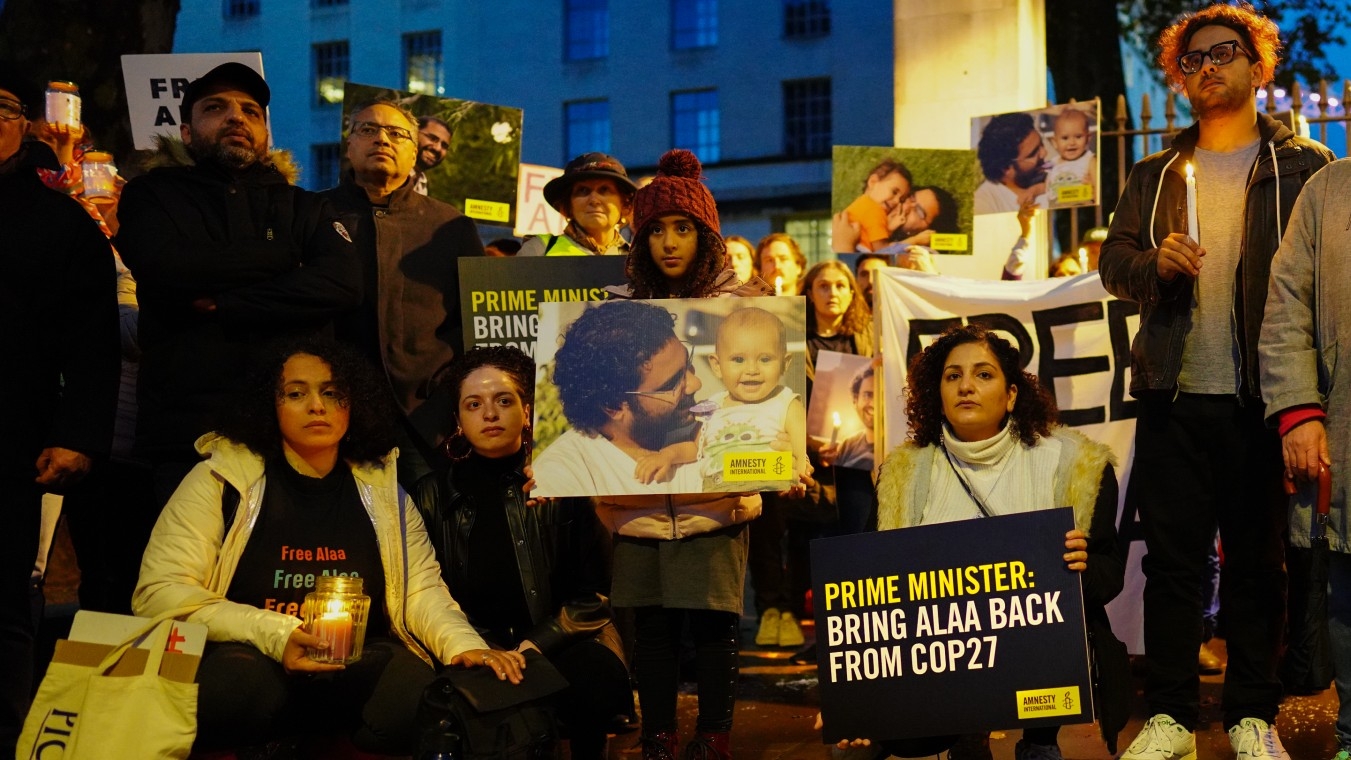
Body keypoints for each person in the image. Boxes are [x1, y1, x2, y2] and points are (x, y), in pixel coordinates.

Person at [1098, 5, 1335, 759]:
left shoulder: (1305, 168)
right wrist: (1151, 267)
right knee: (1171, 563)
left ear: (1258, 66)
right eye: (1192, 59)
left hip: (1265, 402)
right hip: (1173, 395)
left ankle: (1248, 715)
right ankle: (1168, 713)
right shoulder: (1153, 172)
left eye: (1223, 53)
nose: (1206, 68)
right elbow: (1113, 267)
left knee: (1259, 564)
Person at [132, 337, 521, 755]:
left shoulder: (382, 487)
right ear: (271, 405)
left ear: (353, 405)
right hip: (249, 654)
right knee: (235, 691)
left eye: (332, 393)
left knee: (417, 704)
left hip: (359, 657)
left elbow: (421, 591)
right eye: (296, 393)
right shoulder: (223, 479)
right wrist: (279, 634)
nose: (317, 406)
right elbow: (160, 593)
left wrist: (465, 646)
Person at [853, 324, 1124, 760]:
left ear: (1012, 394)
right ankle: (965, 732)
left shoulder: (1076, 465)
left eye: (983, 375)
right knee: (899, 738)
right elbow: (868, 588)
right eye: (952, 376)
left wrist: (1082, 566)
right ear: (935, 391)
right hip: (942, 653)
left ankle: (1039, 741)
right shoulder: (903, 472)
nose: (966, 386)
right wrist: (853, 696)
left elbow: (1110, 577)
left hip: (1039, 662)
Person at [586, 148, 766, 760]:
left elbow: (769, 402)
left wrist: (784, 461)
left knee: (716, 628)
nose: (668, 242)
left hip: (714, 502)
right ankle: (660, 734)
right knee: (654, 630)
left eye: (683, 228)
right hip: (636, 498)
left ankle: (713, 735)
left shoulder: (747, 310)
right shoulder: (610, 312)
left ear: (706, 236)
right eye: (655, 229)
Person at [115, 62, 362, 505]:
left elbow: (341, 284)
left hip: (291, 436)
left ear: (265, 134)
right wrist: (286, 261)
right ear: (187, 132)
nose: (236, 117)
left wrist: (227, 303)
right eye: (216, 108)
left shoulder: (306, 207)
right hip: (186, 436)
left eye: (251, 111)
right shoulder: (151, 194)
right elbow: (167, 268)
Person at [413, 346, 633, 760]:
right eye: (474, 404)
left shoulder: (565, 480)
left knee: (595, 683)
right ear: (458, 420)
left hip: (566, 637)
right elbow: (431, 592)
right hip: (480, 643)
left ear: (527, 411)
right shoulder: (432, 495)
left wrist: (535, 644)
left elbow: (598, 595)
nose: (490, 414)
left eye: (504, 401)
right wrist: (482, 647)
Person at [0, 69, 120, 757]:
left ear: (26, 125)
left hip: (12, 440)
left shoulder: (58, 220)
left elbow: (93, 341)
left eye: (3, 109)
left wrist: (78, 435)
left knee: (5, 608)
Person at [322, 98, 485, 488]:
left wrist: (448, 395)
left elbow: (476, 322)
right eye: (368, 129)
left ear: (415, 152)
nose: (382, 139)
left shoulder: (452, 226)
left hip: (426, 419)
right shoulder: (312, 214)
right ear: (349, 146)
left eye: (397, 134)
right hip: (333, 412)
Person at [1259, 157, 1351, 760]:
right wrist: (1298, 410)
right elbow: (1287, 305)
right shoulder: (1329, 190)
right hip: (1346, 438)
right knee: (1348, 603)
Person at [754, 260, 874, 656]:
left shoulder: (869, 336)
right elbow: (776, 397)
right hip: (806, 460)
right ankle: (819, 636)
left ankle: (850, 637)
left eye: (841, 285)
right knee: (808, 548)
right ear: (810, 291)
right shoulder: (792, 339)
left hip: (857, 468)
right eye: (824, 285)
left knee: (853, 548)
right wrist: (806, 442)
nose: (833, 292)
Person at [634, 306, 808, 494]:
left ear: (785, 363)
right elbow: (697, 447)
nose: (752, 369)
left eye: (765, 359)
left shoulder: (786, 403)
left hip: (767, 488)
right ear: (717, 365)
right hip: (716, 489)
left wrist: (800, 478)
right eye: (739, 360)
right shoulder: (712, 407)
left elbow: (800, 453)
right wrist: (667, 455)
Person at [517, 152, 637, 257]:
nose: (594, 200)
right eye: (583, 190)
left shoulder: (639, 259)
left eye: (604, 190)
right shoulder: (539, 250)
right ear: (568, 204)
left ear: (624, 203)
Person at [974, 112, 1048, 214]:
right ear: (1006, 168)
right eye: (1033, 154)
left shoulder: (1050, 176)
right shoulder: (985, 203)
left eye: (1041, 144)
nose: (1044, 153)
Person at [842, 158, 913, 251]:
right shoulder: (875, 210)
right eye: (894, 192)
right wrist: (915, 241)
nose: (896, 201)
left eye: (901, 199)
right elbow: (882, 249)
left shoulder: (861, 203)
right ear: (873, 182)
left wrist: (889, 229)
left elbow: (871, 234)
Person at [820, 365, 876, 471]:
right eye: (868, 395)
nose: (873, 404)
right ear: (856, 400)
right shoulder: (848, 445)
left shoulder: (896, 448)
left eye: (881, 396)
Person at [1045, 106, 1097, 203]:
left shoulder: (1089, 160)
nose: (1072, 143)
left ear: (1088, 138)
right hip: (1058, 210)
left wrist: (1093, 189)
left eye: (1078, 137)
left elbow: (1098, 191)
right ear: (1054, 142)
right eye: (1065, 138)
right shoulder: (1052, 162)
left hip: (1081, 208)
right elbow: (1039, 178)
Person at [410, 114, 452, 195]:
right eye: (432, 138)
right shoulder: (390, 172)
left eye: (444, 145)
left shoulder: (421, 185)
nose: (438, 148)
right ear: (413, 133)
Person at [757, 231, 806, 295]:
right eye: (769, 260)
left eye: (783, 259)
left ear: (798, 267)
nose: (777, 266)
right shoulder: (749, 304)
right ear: (760, 268)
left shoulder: (815, 303)